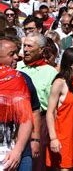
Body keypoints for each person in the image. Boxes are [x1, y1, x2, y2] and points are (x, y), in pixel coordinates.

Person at [17, 32, 59, 170]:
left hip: (40, 123)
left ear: (41, 50)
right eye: (24, 46)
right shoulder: (16, 67)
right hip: (16, 121)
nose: (26, 49)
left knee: (37, 162)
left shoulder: (50, 72)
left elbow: (54, 105)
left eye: (30, 46)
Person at [0, 37, 40, 171]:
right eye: (11, 54)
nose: (17, 57)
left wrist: (34, 140)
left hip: (19, 151)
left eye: (17, 53)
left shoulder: (22, 79)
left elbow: (29, 115)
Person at [45, 48, 73, 170]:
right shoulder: (60, 83)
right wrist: (53, 138)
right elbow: (50, 112)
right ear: (70, 63)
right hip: (63, 138)